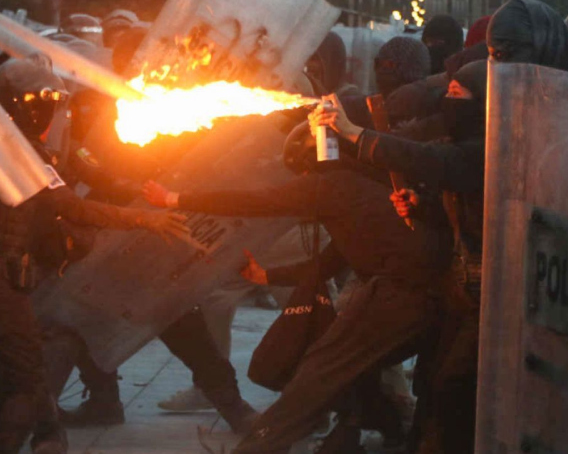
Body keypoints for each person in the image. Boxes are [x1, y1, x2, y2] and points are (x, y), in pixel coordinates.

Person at [144, 123, 454, 454]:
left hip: (403, 294)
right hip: (434, 295)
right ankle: (378, 430)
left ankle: (259, 448)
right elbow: (326, 263)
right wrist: (268, 276)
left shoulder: (331, 185)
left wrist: (175, 198)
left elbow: (256, 202)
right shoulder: (362, 188)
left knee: (319, 370)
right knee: (352, 367)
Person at [0, 57, 194, 454]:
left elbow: (81, 182)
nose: (54, 115)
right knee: (24, 375)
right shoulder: (16, 153)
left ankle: (45, 436)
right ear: (29, 106)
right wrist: (143, 219)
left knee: (22, 370)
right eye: (49, 106)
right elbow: (71, 207)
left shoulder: (9, 145)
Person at [310, 59, 489, 454]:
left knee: (452, 385)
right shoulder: (463, 144)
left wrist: (354, 133)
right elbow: (451, 200)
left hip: (488, 294)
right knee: (432, 381)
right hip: (458, 290)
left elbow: (432, 162)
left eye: (458, 95)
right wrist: (421, 204)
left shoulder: (484, 149)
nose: (448, 100)